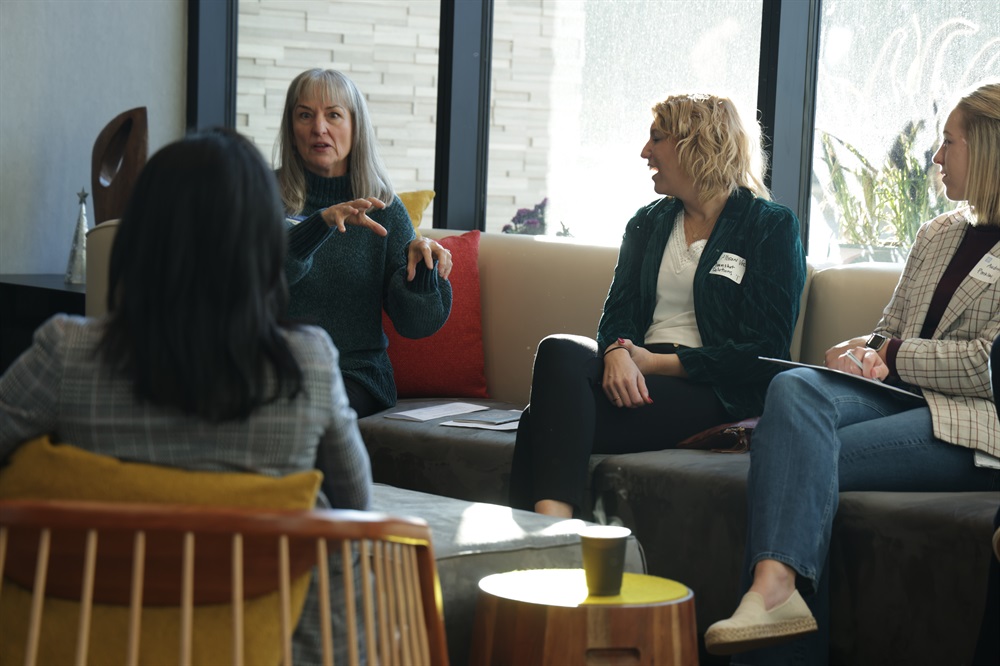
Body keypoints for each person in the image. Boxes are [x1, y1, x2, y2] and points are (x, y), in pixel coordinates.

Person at [0, 128, 373, 664]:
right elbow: (357, 508)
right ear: (264, 247)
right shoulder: (309, 364)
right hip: (256, 647)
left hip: (86, 646)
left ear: (142, 240)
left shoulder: (68, 353)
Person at [705, 81, 1000, 664]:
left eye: (950, 143)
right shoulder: (937, 233)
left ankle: (772, 601)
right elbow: (888, 326)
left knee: (792, 458)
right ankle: (777, 592)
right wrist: (860, 350)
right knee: (792, 387)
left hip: (972, 426)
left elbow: (987, 365)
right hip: (894, 398)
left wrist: (890, 355)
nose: (937, 157)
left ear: (989, 149)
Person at [508, 92, 807, 518]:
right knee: (557, 349)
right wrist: (615, 351)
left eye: (656, 139)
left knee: (537, 422)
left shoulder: (769, 225)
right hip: (637, 369)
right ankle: (556, 536)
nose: (645, 152)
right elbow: (618, 314)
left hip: (716, 392)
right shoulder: (647, 222)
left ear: (695, 143)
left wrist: (654, 363)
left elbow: (764, 352)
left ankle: (547, 542)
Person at [277, 68, 453, 418]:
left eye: (334, 115)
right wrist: (321, 223)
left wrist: (421, 274)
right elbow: (256, 277)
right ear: (290, 127)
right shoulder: (263, 194)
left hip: (355, 374)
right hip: (269, 368)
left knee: (303, 404)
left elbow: (417, 325)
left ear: (356, 127)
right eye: (305, 115)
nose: (319, 128)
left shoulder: (384, 207)